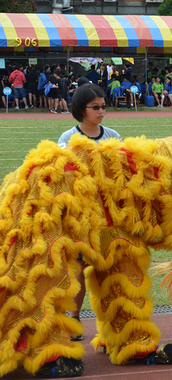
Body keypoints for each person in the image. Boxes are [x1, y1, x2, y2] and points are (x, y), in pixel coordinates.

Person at [57, 83, 121, 341]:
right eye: (96, 107)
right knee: (80, 269)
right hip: (81, 216)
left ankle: (112, 324)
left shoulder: (113, 135)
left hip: (109, 216)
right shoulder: (67, 138)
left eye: (104, 106)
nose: (102, 111)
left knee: (110, 270)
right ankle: (73, 317)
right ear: (80, 110)